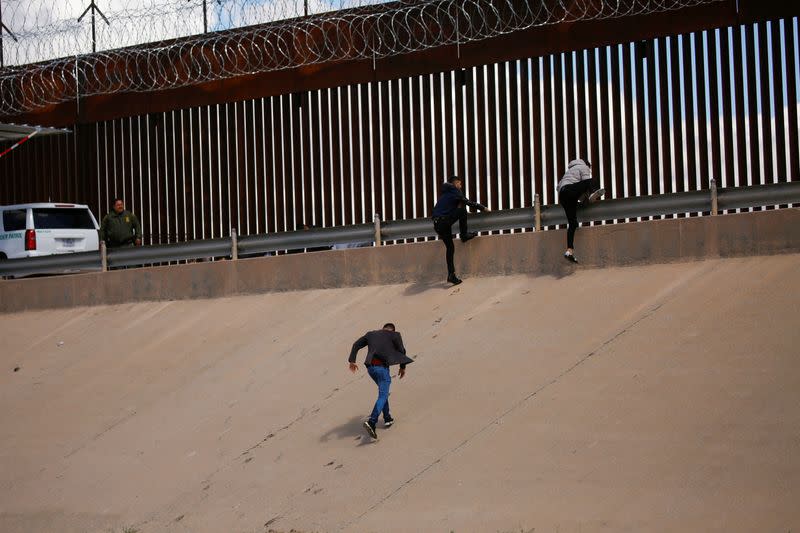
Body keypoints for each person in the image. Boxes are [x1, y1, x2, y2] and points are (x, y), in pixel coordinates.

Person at [348, 323, 413, 440]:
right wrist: (402, 367)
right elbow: (402, 351)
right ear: (392, 330)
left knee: (383, 393)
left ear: (383, 328)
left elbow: (356, 345)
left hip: (370, 369)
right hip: (382, 369)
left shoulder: (371, 334)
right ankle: (372, 422)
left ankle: (387, 418)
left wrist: (352, 360)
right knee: (383, 394)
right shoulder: (395, 335)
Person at [431, 176, 489, 285]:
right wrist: (483, 208)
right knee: (462, 211)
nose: (461, 187)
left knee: (450, 247)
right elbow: (467, 202)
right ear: (456, 183)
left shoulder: (445, 193)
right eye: (460, 184)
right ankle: (464, 235)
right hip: (444, 222)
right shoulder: (454, 191)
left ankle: (451, 275)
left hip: (437, 224)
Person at [557, 159, 604, 263]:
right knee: (592, 181)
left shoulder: (568, 172)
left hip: (564, 196)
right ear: (588, 165)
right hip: (570, 190)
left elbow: (559, 187)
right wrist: (589, 197)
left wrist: (582, 198)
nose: (589, 170)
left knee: (573, 223)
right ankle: (591, 194)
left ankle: (569, 251)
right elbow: (586, 183)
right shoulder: (584, 167)